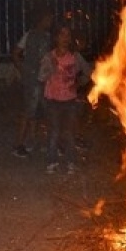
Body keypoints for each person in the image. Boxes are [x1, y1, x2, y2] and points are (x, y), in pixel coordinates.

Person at [39, 20, 92, 174]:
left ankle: (70, 161)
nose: (65, 37)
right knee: (54, 132)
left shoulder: (75, 57)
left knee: (69, 132)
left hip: (70, 101)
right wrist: (52, 69)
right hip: (53, 101)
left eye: (68, 34)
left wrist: (79, 83)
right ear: (55, 38)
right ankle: (52, 161)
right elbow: (41, 77)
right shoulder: (49, 57)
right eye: (62, 34)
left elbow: (88, 72)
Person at [11, 6, 54, 157]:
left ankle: (32, 141)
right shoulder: (30, 35)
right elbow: (16, 52)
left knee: (39, 111)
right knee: (28, 111)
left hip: (44, 79)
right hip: (32, 80)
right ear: (41, 20)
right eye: (48, 18)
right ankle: (18, 144)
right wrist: (23, 70)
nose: (50, 21)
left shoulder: (48, 37)